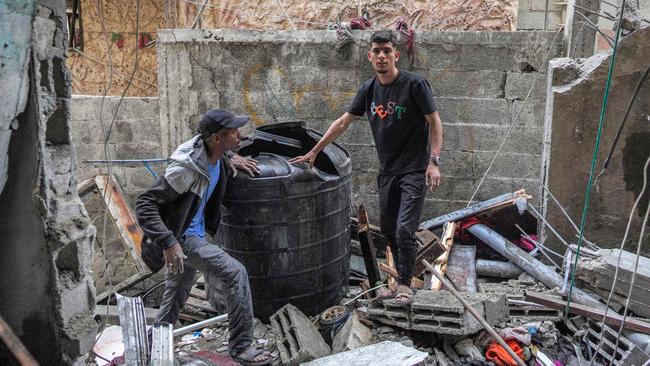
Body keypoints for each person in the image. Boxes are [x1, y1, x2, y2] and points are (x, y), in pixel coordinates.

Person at [290, 30, 443, 305]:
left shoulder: (415, 85)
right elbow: (343, 122)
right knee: (388, 230)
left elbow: (435, 122)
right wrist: (315, 150)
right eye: (377, 51)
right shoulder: (369, 90)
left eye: (387, 51)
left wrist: (434, 162)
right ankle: (396, 283)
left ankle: (406, 286)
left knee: (405, 229)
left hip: (415, 170)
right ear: (370, 56)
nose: (382, 56)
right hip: (387, 172)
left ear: (396, 55)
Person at [135, 109, 274, 365]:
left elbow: (214, 150)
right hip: (182, 237)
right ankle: (241, 347)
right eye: (233, 132)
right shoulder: (185, 170)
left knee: (175, 295)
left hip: (190, 233)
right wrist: (168, 241)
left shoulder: (215, 151)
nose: (239, 135)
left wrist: (230, 156)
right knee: (236, 272)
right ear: (217, 138)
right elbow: (145, 203)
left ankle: (151, 350)